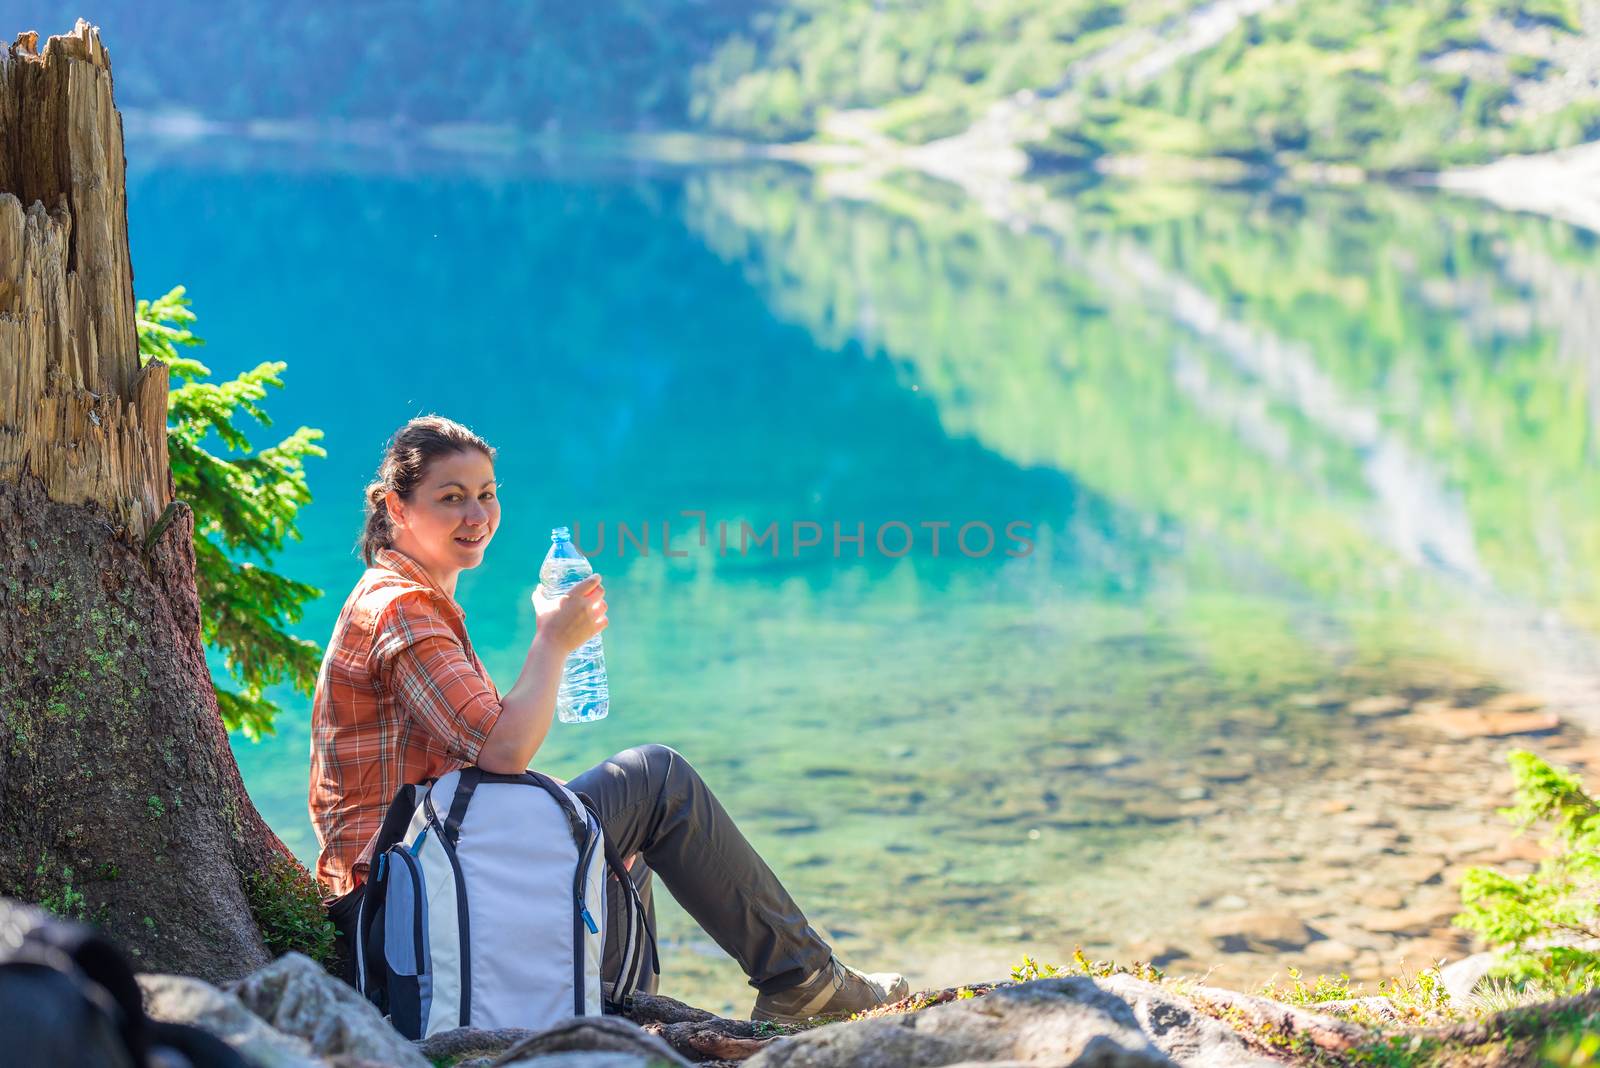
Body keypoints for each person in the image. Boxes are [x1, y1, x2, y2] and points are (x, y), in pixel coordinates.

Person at [308, 414, 907, 1023]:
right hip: (401, 899)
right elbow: (503, 752)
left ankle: (613, 1015)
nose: (477, 516)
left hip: (425, 879)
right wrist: (551, 642)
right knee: (655, 780)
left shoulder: (409, 600)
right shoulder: (401, 609)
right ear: (396, 507)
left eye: (487, 494)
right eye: (451, 498)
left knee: (616, 836)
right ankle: (804, 982)